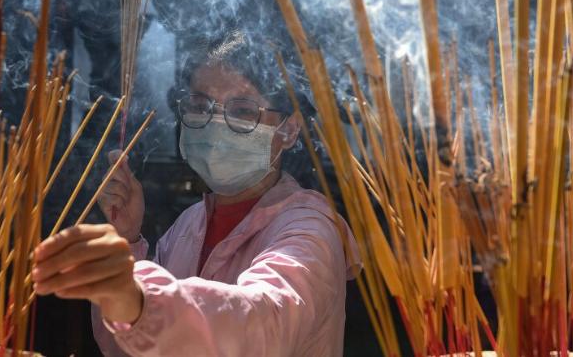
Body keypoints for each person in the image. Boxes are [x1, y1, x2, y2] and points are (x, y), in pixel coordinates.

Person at [32, 30, 360, 356]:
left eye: (242, 111)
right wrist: (128, 241)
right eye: (201, 106)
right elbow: (128, 346)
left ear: (288, 128)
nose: (216, 125)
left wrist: (139, 298)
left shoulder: (310, 229)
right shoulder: (190, 225)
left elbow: (264, 324)